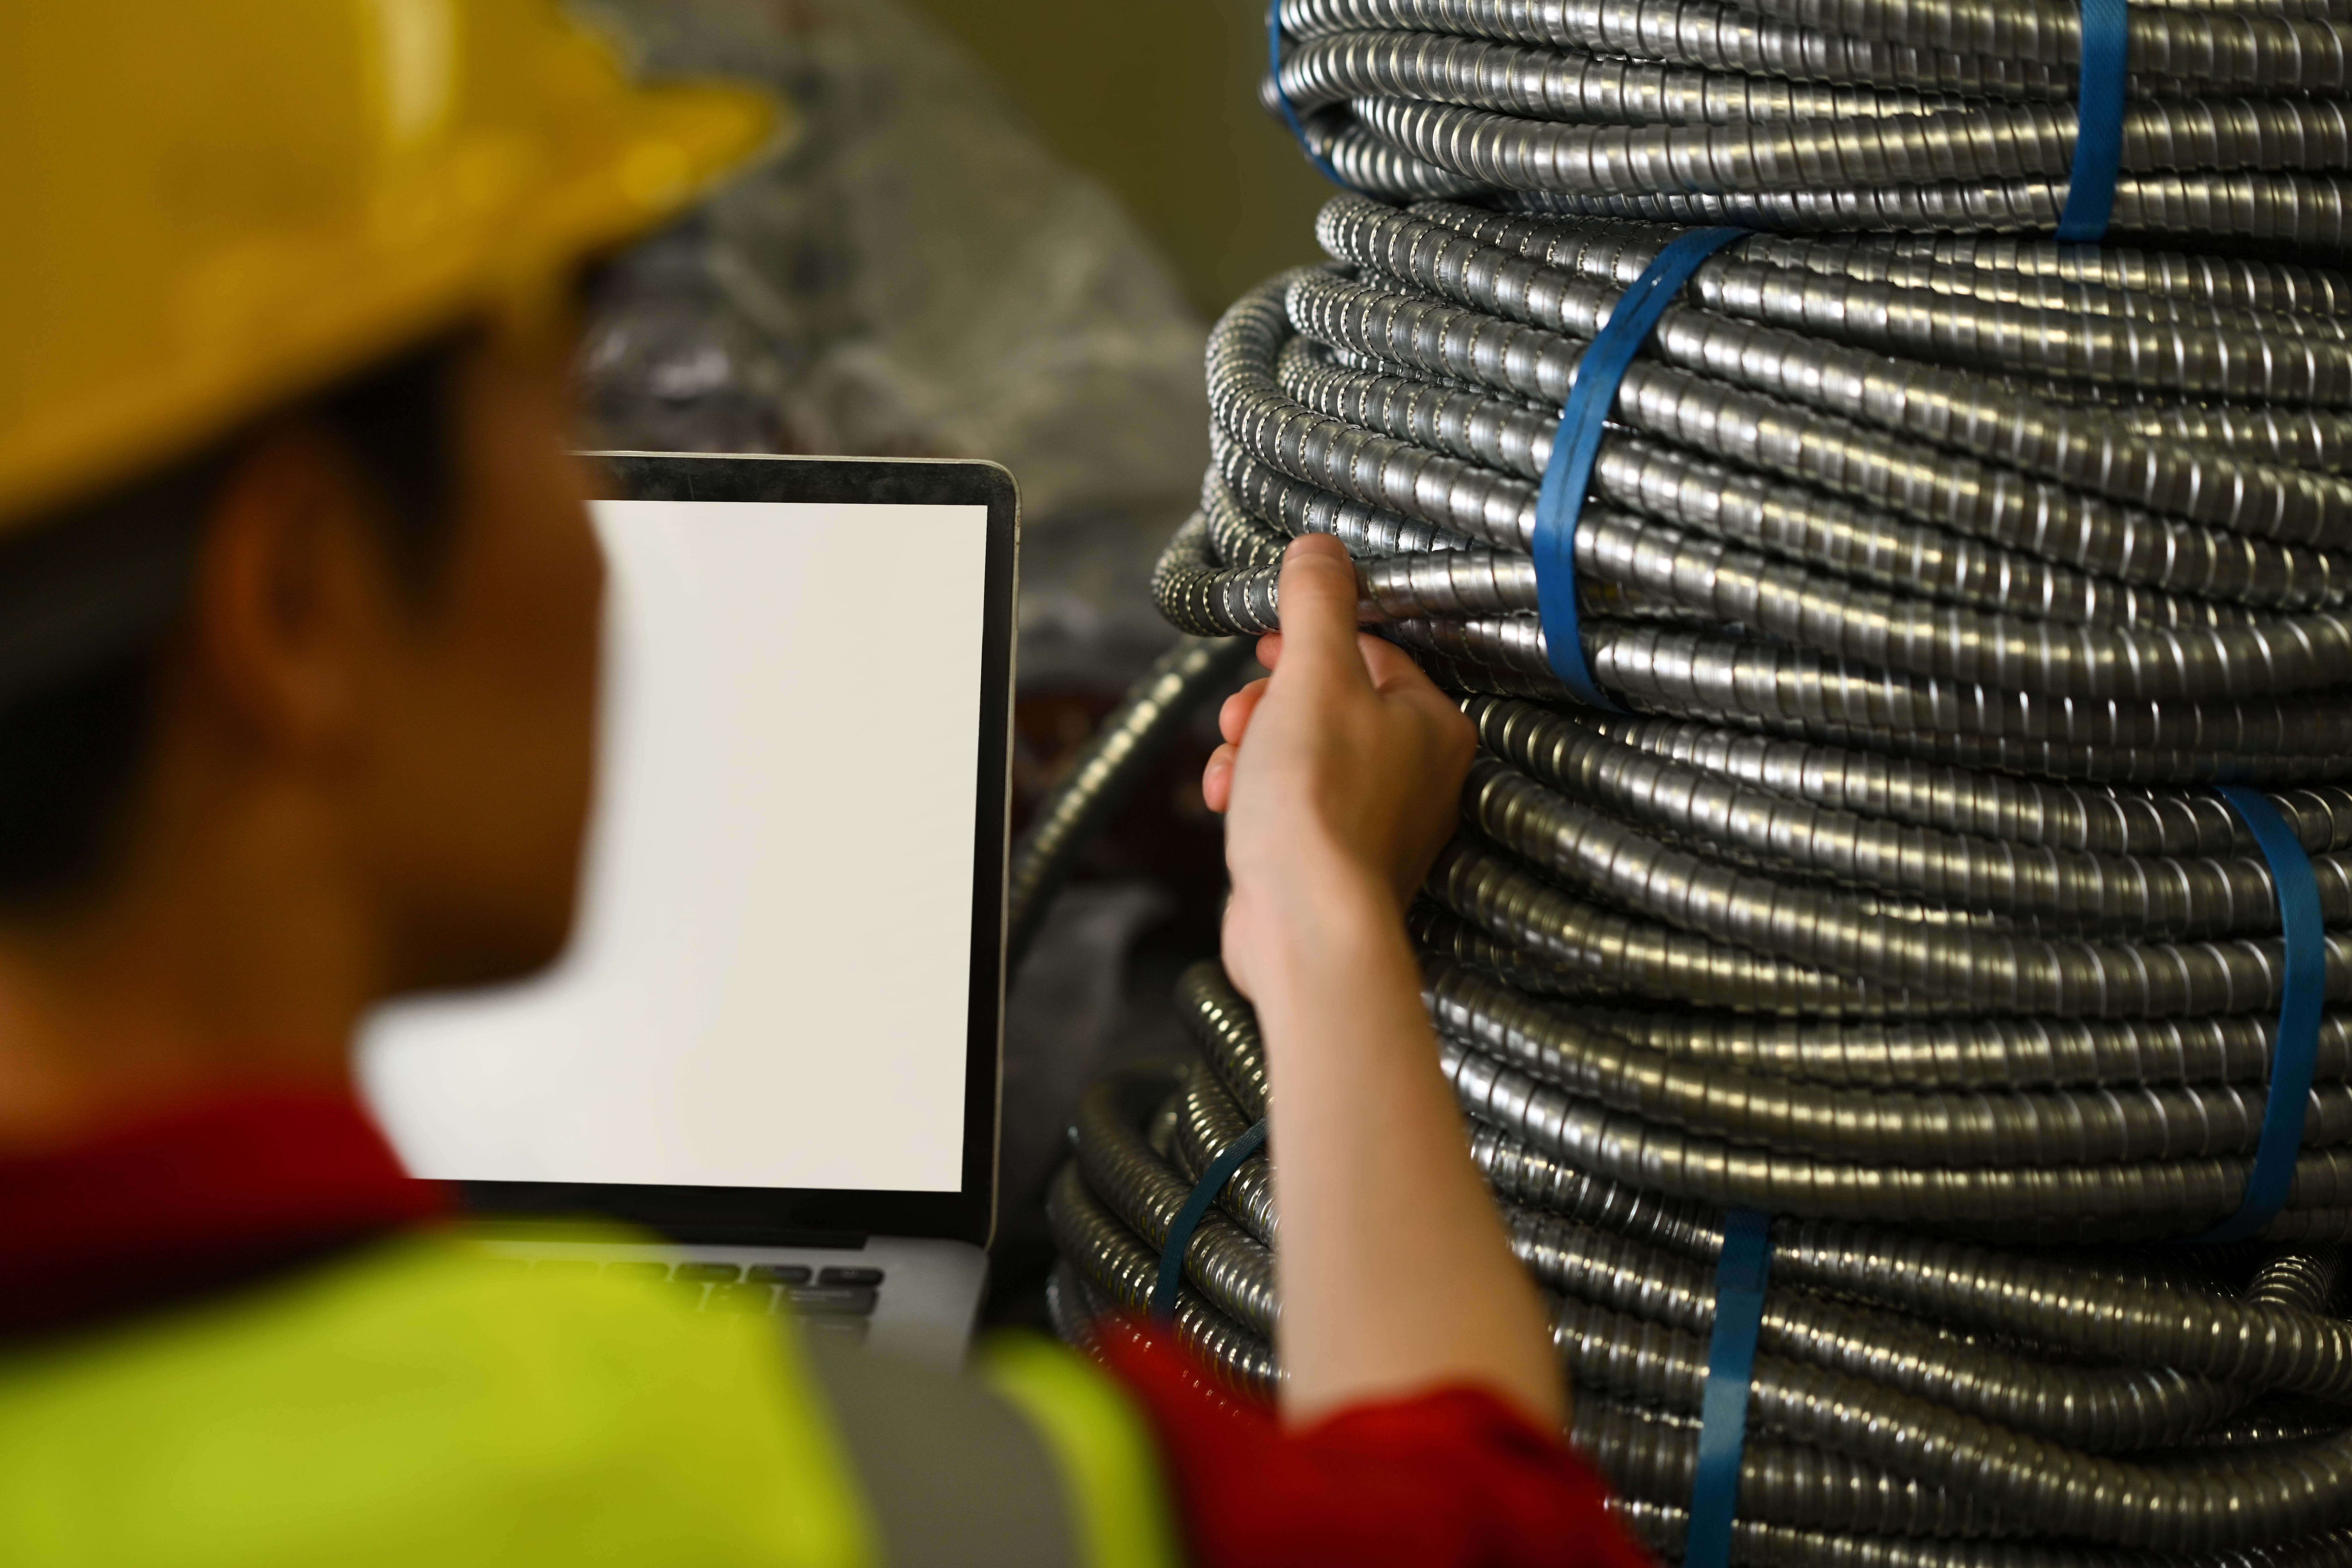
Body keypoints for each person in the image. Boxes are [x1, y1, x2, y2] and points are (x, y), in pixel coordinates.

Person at [0, 3, 1653, 1564]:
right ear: (298, 602)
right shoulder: (680, 1477)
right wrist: (1324, 917)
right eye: (565, 423)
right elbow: (1488, 1532)